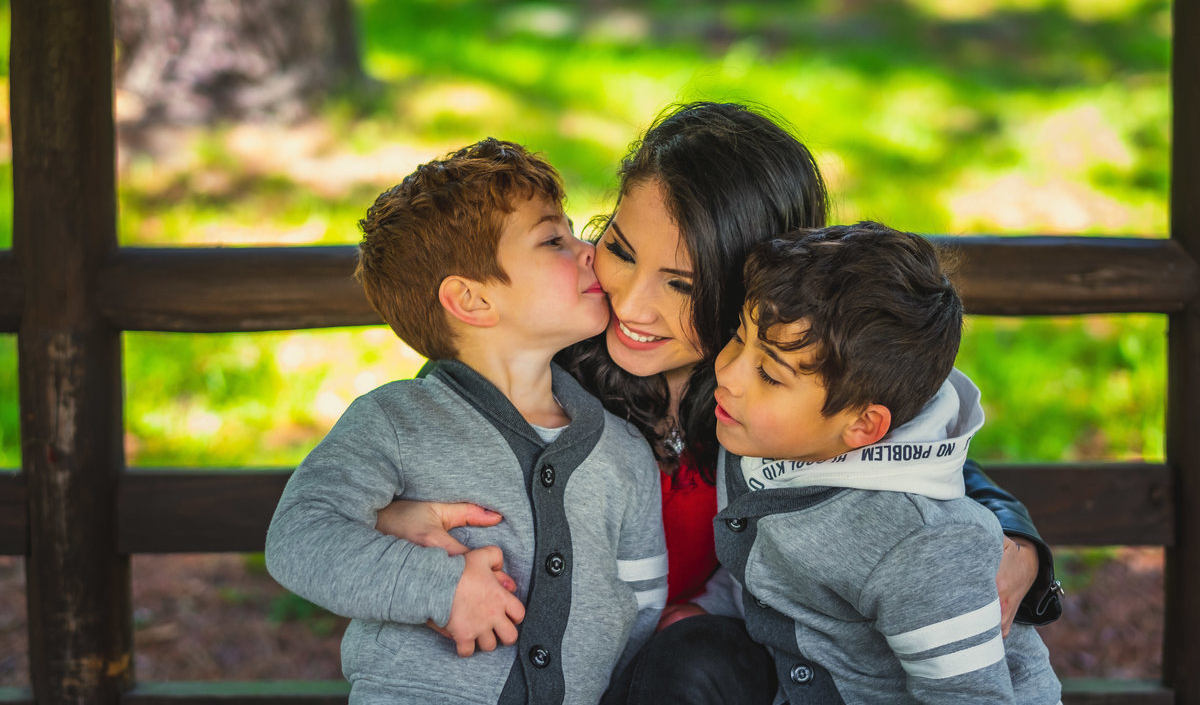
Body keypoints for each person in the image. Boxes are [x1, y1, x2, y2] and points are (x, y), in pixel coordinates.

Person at [374, 103, 1063, 704]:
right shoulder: (537, 356)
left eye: (681, 284)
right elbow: (399, 453)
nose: (633, 305)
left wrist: (1022, 548)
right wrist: (392, 516)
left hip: (732, 674)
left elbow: (920, 474)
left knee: (697, 660)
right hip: (555, 669)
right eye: (618, 247)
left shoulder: (791, 391)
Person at [265, 138, 668, 705]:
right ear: (473, 302)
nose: (588, 250)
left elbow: (643, 601)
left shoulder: (621, 450)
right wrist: (438, 587)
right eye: (553, 239)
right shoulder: (395, 420)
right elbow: (300, 536)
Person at [710, 221, 1062, 704]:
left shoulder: (920, 546)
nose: (727, 372)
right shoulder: (766, 435)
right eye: (737, 337)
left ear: (863, 426)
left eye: (769, 374)